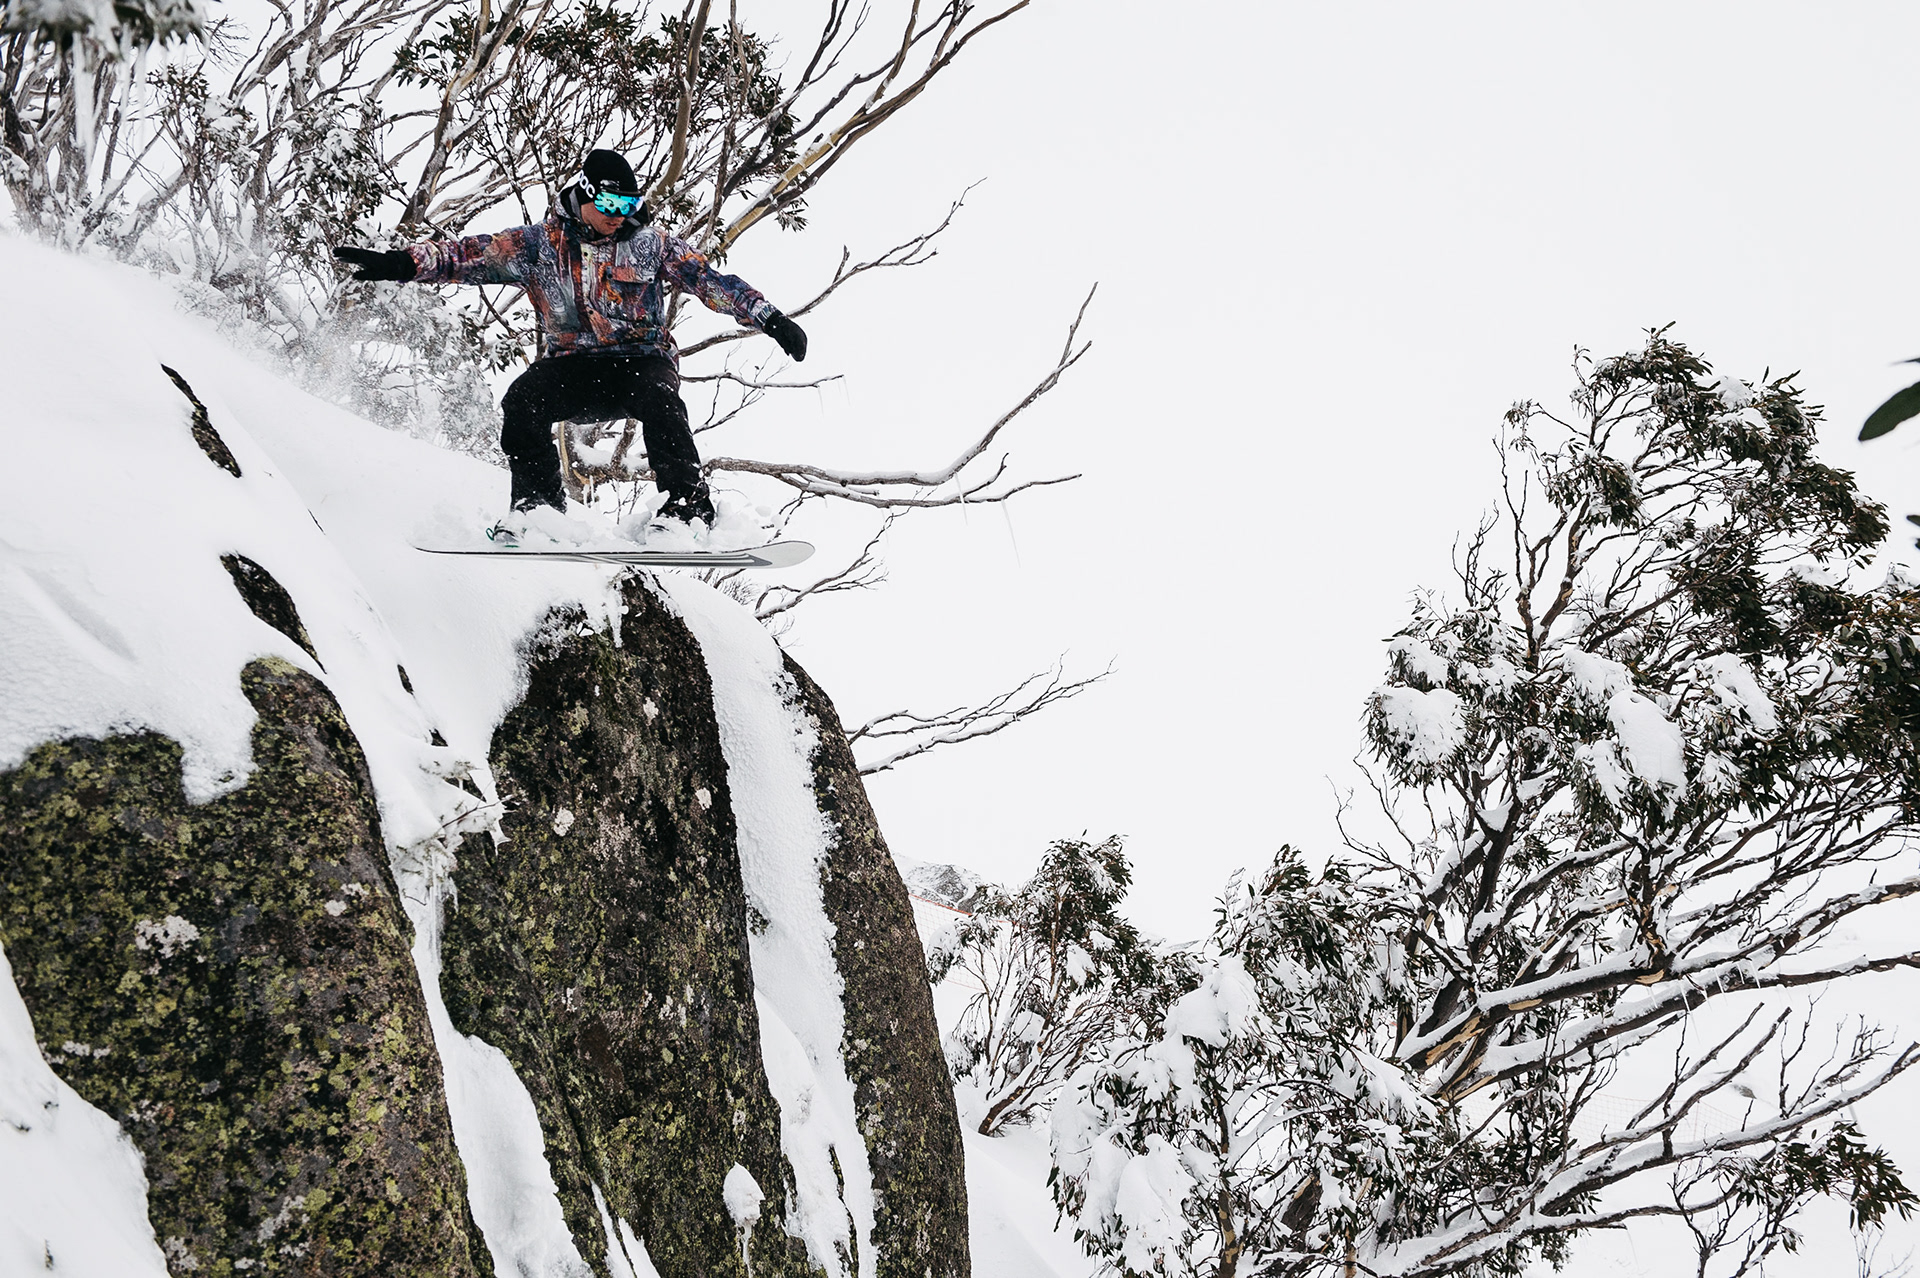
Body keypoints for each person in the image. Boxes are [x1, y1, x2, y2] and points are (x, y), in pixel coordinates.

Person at [334, 148, 807, 533]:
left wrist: (769, 318)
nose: (618, 217)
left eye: (628, 207)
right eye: (609, 206)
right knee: (522, 401)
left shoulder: (651, 244)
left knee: (661, 402)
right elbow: (464, 256)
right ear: (584, 194)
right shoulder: (538, 247)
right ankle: (539, 509)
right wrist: (400, 264)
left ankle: (688, 506)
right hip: (573, 366)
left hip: (640, 360)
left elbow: (709, 281)